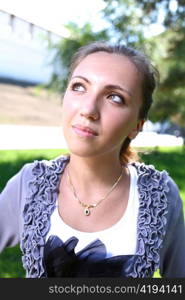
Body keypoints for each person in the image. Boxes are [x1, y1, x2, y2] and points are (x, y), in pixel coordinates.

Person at [0, 41, 185, 278]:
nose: (88, 109)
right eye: (79, 87)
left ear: (136, 126)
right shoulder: (30, 183)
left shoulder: (160, 196)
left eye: (115, 98)